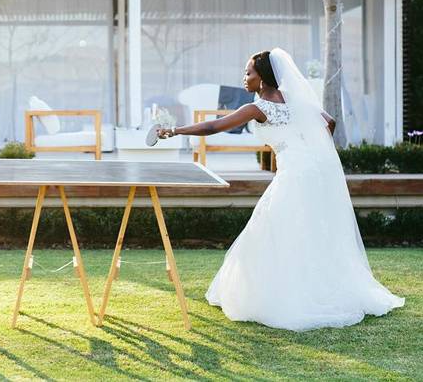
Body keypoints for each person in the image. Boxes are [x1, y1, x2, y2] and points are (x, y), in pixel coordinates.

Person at [158, 48, 404, 331]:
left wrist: (174, 131)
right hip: (315, 170)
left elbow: (214, 126)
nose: (244, 77)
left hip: (296, 173)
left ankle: (286, 296)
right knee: (310, 229)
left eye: (248, 72)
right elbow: (329, 121)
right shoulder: (295, 100)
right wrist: (310, 146)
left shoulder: (257, 107)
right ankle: (320, 287)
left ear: (262, 78)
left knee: (275, 228)